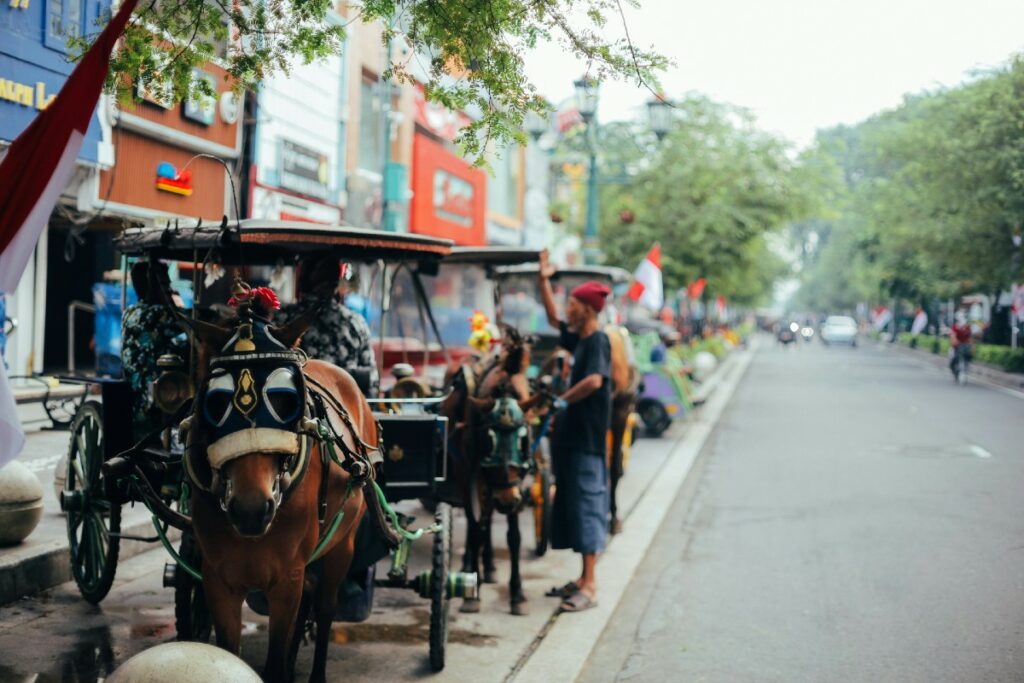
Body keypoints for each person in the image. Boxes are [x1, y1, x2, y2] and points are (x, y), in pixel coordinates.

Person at [537, 249, 612, 613]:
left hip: (587, 441)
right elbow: (552, 317)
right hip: (570, 441)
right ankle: (581, 578)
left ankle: (591, 585)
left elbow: (595, 380)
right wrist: (543, 279)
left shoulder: (597, 340)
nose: (567, 309)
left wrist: (562, 400)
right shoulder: (579, 340)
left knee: (587, 507)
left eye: (572, 304)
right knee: (571, 506)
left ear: (587, 308)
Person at [276, 255, 376, 388]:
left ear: (305, 280)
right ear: (336, 283)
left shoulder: (285, 317)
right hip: (346, 403)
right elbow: (371, 378)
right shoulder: (356, 322)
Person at [121, 261, 188, 427]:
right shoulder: (157, 314)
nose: (168, 288)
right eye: (166, 284)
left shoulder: (130, 312)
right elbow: (192, 323)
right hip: (155, 398)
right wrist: (176, 303)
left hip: (132, 397)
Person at [949, 308, 972, 376]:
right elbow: (953, 336)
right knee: (953, 358)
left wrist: (971, 345)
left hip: (964, 346)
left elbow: (970, 338)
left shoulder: (968, 328)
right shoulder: (955, 327)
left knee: (969, 355)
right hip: (956, 347)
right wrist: (955, 341)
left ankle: (966, 366)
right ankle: (953, 368)